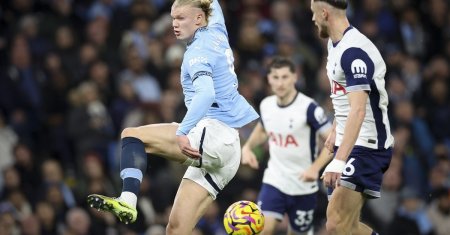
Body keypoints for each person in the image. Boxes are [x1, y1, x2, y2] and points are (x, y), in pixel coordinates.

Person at [87, 0, 259, 234]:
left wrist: (182, 132)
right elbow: (211, 3)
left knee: (132, 135)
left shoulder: (197, 52)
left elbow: (206, 94)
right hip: (229, 152)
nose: (174, 24)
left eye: (181, 18)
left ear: (198, 19)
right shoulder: (217, 28)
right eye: (173, 18)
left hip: (214, 134)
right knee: (176, 230)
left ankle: (128, 199)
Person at [310, 1, 394, 235]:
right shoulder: (334, 44)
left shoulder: (353, 52)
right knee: (345, 227)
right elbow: (344, 95)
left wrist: (339, 160)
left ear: (324, 13)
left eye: (314, 14)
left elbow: (359, 110)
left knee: (336, 224)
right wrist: (337, 126)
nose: (313, 19)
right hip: (350, 142)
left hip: (368, 145)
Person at [241, 57, 333, 235]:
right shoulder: (266, 105)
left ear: (295, 77)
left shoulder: (309, 108)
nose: (280, 83)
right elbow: (262, 130)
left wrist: (315, 168)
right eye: (275, 77)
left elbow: (332, 141)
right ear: (268, 79)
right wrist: (247, 147)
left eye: (285, 77)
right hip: (274, 181)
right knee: (262, 230)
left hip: (303, 186)